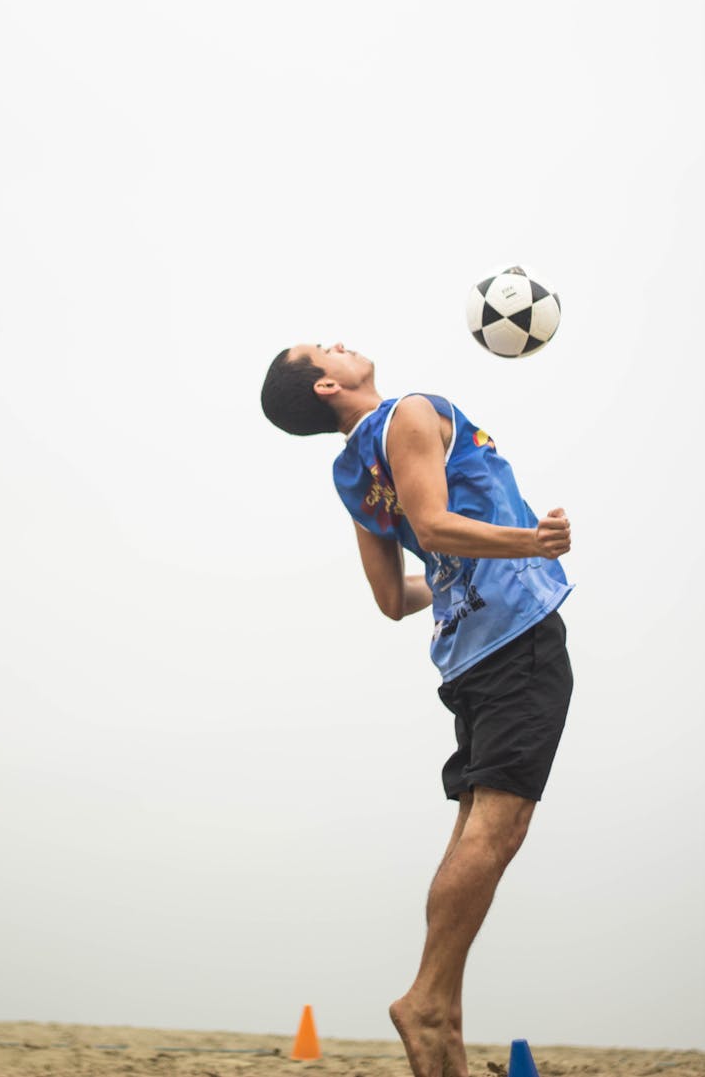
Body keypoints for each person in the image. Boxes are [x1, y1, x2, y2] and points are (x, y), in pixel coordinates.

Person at [260, 341, 574, 1077]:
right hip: (517, 636)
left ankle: (443, 1011)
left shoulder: (352, 475)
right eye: (321, 348)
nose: (338, 341)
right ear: (329, 383)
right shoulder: (408, 413)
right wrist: (532, 542)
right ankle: (429, 998)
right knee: (501, 823)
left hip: (466, 654)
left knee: (477, 824)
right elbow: (431, 528)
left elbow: (392, 598)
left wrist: (460, 578)